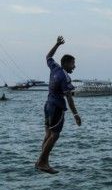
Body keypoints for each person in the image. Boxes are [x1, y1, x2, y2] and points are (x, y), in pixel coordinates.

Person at [35, 36, 82, 174]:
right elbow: (69, 98)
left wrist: (57, 45)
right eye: (73, 64)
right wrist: (76, 115)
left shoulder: (54, 68)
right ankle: (42, 162)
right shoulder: (65, 77)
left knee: (48, 134)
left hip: (48, 105)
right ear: (67, 63)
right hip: (57, 108)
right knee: (54, 136)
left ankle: (41, 161)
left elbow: (48, 56)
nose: (74, 66)